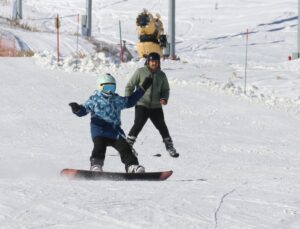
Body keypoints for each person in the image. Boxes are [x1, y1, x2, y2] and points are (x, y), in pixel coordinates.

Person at [69, 73, 153, 173]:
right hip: (99, 130)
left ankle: (132, 166)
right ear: (100, 87)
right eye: (107, 87)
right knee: (99, 147)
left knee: (125, 148)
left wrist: (142, 88)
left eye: (112, 88)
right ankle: (96, 165)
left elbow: (131, 101)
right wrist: (77, 109)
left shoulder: (116, 99)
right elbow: (83, 111)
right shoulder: (94, 100)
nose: (109, 91)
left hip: (114, 131)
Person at [125, 52, 179, 158]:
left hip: (156, 106)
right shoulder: (140, 72)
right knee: (138, 124)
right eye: (152, 61)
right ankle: (127, 147)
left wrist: (164, 98)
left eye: (156, 62)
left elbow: (165, 89)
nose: (154, 63)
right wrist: (129, 99)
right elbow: (129, 86)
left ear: (158, 63)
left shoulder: (161, 75)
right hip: (142, 103)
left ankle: (170, 147)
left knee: (162, 126)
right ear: (148, 62)